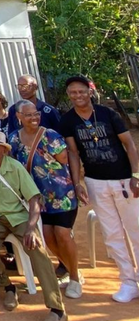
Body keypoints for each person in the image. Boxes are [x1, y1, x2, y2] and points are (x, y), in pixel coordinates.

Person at [0, 130, 67, 321]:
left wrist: (31, 229)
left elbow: (34, 199)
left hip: (19, 217)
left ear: (3, 151)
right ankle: (8, 286)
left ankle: (57, 309)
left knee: (37, 250)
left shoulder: (15, 168)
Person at [60, 75, 139, 303]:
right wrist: (77, 182)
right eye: (73, 93)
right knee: (112, 234)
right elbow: (73, 154)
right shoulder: (67, 121)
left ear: (90, 92)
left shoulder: (107, 114)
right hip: (96, 182)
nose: (78, 96)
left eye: (82, 92)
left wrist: (135, 175)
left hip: (123, 180)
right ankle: (128, 282)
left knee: (135, 230)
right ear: (69, 95)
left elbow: (129, 144)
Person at [10, 100, 82, 299]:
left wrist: (76, 185)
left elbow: (64, 160)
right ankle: (69, 267)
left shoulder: (51, 135)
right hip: (37, 199)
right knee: (48, 237)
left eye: (36, 114)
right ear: (19, 117)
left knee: (63, 234)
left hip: (62, 194)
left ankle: (75, 277)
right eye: (29, 115)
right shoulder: (14, 139)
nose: (34, 118)